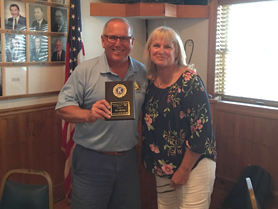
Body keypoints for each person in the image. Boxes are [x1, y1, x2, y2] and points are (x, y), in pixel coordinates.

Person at [55, 18, 148, 209]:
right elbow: (63, 107)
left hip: (128, 160)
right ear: (103, 40)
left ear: (132, 41)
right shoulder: (85, 71)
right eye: (112, 37)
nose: (117, 43)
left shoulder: (143, 72)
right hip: (92, 160)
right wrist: (88, 115)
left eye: (124, 38)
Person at [142, 26, 216, 209]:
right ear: (150, 50)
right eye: (156, 45)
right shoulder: (150, 83)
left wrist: (183, 170)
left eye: (168, 46)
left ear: (176, 52)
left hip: (194, 165)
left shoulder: (190, 81)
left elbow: (201, 132)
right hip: (162, 167)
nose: (161, 51)